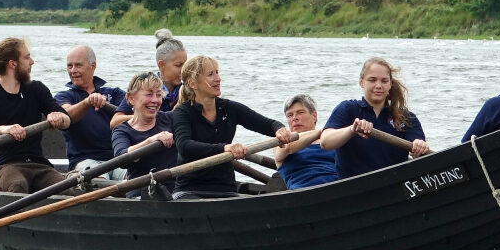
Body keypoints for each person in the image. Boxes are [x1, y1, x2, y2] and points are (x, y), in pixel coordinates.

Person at [170, 55, 292, 199]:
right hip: (190, 189)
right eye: (211, 74)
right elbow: (184, 146)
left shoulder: (229, 108)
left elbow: (268, 124)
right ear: (193, 83)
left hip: (225, 188)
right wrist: (224, 148)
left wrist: (280, 129)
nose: (218, 79)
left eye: (217, 72)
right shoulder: (182, 113)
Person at [0, 38, 75, 194]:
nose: (32, 62)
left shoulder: (37, 89)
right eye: (26, 57)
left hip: (40, 165)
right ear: (13, 64)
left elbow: (67, 121)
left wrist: (58, 117)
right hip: (9, 165)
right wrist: (3, 130)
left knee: (67, 191)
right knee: (17, 187)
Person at [319, 57, 430, 178]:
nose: (378, 85)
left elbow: (419, 153)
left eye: (384, 81)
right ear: (361, 82)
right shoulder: (347, 109)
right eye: (372, 80)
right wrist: (352, 130)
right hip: (353, 187)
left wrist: (420, 146)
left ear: (390, 84)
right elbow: (325, 142)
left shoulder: (406, 117)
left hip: (394, 185)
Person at [53, 45, 126, 179]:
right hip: (84, 162)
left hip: (117, 160)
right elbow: (66, 115)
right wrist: (87, 102)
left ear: (93, 66)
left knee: (136, 178)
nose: (73, 70)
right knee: (99, 181)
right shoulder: (63, 97)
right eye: (70, 66)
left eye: (78, 65)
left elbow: (135, 114)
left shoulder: (115, 94)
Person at [111, 72, 177, 199]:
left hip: (175, 192)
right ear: (131, 99)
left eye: (158, 95)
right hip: (140, 194)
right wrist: (151, 141)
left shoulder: (170, 118)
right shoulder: (122, 131)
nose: (155, 100)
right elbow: (121, 157)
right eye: (149, 94)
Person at [112, 29, 187, 127]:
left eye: (186, 65)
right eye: (178, 65)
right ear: (161, 64)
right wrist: (145, 117)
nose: (184, 70)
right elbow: (115, 122)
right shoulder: (142, 87)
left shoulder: (187, 92)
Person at [272, 94, 338, 189]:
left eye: (300, 112)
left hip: (338, 188)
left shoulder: (332, 139)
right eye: (290, 115)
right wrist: (321, 131)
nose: (294, 118)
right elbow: (287, 148)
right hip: (302, 194)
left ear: (314, 116)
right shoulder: (281, 143)